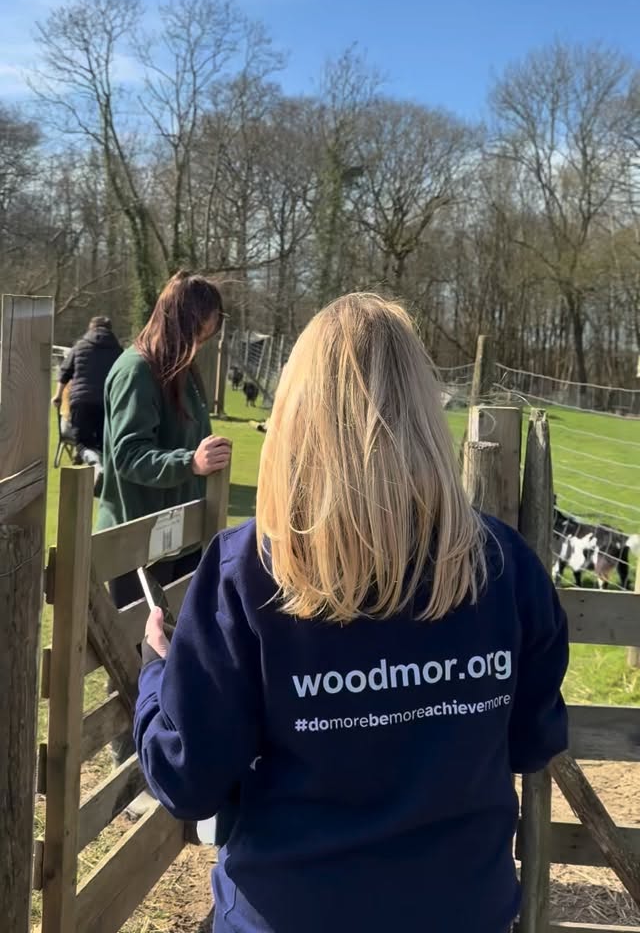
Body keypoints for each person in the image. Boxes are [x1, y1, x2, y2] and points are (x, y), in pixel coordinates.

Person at [134, 293, 568, 933]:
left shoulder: (248, 571)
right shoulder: (502, 565)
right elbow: (534, 740)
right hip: (460, 910)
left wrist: (155, 674)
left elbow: (184, 777)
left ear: (297, 416)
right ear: (424, 412)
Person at [100, 271, 231, 790]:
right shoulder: (135, 371)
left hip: (176, 536)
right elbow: (128, 454)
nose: (205, 340)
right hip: (134, 537)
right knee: (131, 653)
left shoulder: (183, 373)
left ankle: (161, 757)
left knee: (174, 646)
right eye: (202, 329)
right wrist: (189, 463)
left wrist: (203, 456)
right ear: (183, 321)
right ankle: (127, 770)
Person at [52, 316, 122, 460]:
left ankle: (95, 465)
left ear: (91, 328)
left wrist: (58, 395)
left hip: (81, 401)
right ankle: (101, 469)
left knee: (83, 444)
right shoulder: (118, 350)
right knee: (104, 443)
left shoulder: (80, 346)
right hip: (107, 402)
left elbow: (65, 371)